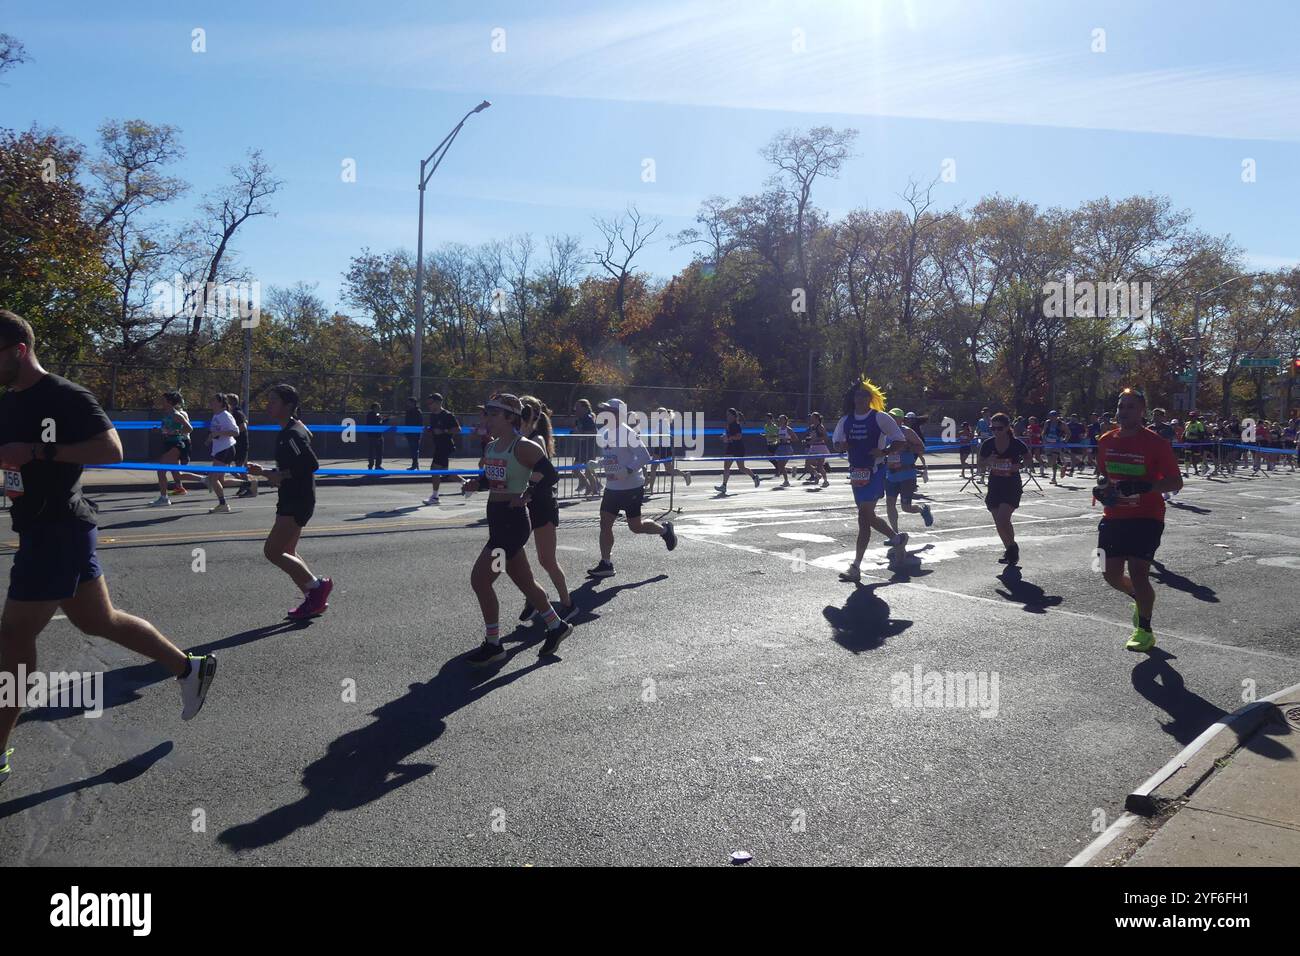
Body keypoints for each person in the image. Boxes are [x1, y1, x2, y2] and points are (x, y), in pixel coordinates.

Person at [0, 310, 216, 787]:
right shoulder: (8, 401)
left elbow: (111, 450)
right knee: (97, 620)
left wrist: (38, 452)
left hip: (57, 529)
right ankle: (188, 667)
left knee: (13, 637)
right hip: (44, 528)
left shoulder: (65, 396)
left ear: (18, 351)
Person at [463, 393, 573, 664]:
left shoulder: (523, 447)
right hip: (497, 518)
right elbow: (492, 480)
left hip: (512, 523)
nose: (486, 418)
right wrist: (476, 485)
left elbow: (550, 473)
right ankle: (556, 625)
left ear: (509, 417)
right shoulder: (491, 447)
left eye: (492, 414)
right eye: (486, 413)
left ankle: (494, 645)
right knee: (525, 582)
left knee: (480, 579)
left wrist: (528, 492)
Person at [1093, 387, 1183, 652]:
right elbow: (1102, 474)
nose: (1124, 412)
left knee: (1139, 571)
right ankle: (1138, 597)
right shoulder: (1106, 440)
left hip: (1147, 516)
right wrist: (1102, 490)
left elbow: (1176, 482)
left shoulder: (1156, 443)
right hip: (1113, 515)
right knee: (1109, 574)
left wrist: (1145, 487)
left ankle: (1144, 629)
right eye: (1121, 406)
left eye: (1131, 407)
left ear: (1142, 411)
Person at [245, 385, 333, 621]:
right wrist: (266, 472)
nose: (268, 405)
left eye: (273, 401)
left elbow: (310, 464)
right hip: (296, 496)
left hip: (297, 498)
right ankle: (313, 599)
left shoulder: (290, 434)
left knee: (273, 551)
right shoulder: (292, 429)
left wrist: (278, 475)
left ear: (288, 406)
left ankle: (317, 588)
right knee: (288, 551)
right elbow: (297, 460)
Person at [587, 398, 677, 579]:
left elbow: (644, 456)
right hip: (612, 487)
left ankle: (665, 531)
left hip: (631, 487)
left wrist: (627, 470)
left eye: (608, 411)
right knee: (605, 523)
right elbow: (613, 457)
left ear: (617, 414)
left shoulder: (627, 433)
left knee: (635, 527)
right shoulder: (606, 433)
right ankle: (606, 564)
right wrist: (598, 463)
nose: (604, 415)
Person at [832, 377, 911, 581]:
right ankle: (897, 538)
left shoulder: (880, 417)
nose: (859, 398)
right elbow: (837, 443)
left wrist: (883, 452)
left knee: (863, 516)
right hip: (856, 474)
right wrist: (842, 447)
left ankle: (856, 566)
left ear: (870, 397)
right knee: (867, 516)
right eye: (857, 394)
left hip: (875, 472)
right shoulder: (845, 420)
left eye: (863, 394)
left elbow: (900, 441)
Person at [515, 396, 577, 623]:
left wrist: (522, 482)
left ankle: (568, 603)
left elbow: (542, 475)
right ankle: (533, 596)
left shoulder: (536, 439)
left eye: (522, 411)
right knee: (515, 555)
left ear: (532, 415)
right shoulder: (518, 437)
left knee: (547, 560)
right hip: (525, 503)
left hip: (541, 504)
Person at [978, 412, 1028, 565]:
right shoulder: (988, 444)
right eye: (993, 428)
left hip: (1011, 484)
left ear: (1007, 428)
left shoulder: (1016, 443)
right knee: (1001, 523)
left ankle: (1012, 549)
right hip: (995, 485)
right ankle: (1011, 549)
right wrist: (988, 461)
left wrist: (1018, 466)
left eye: (999, 428)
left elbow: (1028, 458)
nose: (995, 431)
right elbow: (980, 465)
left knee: (1002, 520)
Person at [884, 408, 934, 533]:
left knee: (906, 507)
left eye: (894, 417)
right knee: (890, 504)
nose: (891, 419)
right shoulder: (884, 433)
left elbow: (921, 448)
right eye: (889, 417)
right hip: (891, 475)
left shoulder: (907, 432)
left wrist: (907, 447)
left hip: (906, 474)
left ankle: (923, 510)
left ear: (902, 420)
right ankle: (894, 534)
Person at [151, 390, 193, 506]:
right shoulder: (167, 414)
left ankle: (164, 498)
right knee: (176, 473)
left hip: (176, 444)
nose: (161, 402)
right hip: (168, 444)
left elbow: (189, 429)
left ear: (169, 402)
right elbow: (166, 430)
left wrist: (175, 431)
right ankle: (205, 479)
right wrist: (160, 431)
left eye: (163, 400)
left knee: (161, 470)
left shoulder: (176, 415)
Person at [423, 393, 464, 505]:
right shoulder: (432, 415)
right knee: (445, 472)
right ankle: (466, 483)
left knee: (434, 470)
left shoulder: (447, 415)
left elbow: (458, 429)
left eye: (430, 403)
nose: (429, 405)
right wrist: (429, 429)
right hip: (439, 445)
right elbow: (434, 428)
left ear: (438, 402)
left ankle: (435, 497)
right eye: (428, 403)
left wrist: (444, 431)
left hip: (445, 446)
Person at [205, 393, 240, 514]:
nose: (210, 402)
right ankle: (250, 483)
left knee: (213, 479)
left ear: (220, 402)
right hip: (220, 449)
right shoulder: (216, 415)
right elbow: (216, 431)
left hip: (225, 449)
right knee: (220, 480)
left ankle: (223, 504)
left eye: (213, 400)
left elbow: (236, 431)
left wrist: (217, 434)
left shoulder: (225, 415)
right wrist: (210, 438)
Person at [716, 407, 759, 493]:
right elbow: (729, 434)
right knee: (726, 467)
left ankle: (755, 477)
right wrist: (724, 436)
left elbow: (739, 436)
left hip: (738, 448)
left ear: (733, 416)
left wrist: (728, 437)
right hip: (730, 447)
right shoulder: (728, 424)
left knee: (742, 468)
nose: (727, 417)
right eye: (726, 415)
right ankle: (724, 486)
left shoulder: (736, 424)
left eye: (728, 415)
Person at [228, 394, 257, 499]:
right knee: (231, 468)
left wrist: (231, 433)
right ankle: (244, 484)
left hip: (241, 444)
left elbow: (243, 427)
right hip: (234, 444)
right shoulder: (232, 413)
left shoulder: (237, 413)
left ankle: (249, 487)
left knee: (239, 467)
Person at [572, 399, 602, 498]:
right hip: (582, 447)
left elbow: (593, 432)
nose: (576, 409)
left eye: (578, 407)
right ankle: (588, 486)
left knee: (588, 471)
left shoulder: (588, 418)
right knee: (575, 469)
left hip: (589, 447)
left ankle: (595, 490)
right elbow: (575, 431)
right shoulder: (579, 419)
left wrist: (581, 435)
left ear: (584, 408)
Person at [802, 412, 832, 487]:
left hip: (821, 447)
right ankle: (817, 475)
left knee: (820, 466)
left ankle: (825, 481)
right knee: (807, 464)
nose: (811, 419)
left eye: (812, 417)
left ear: (816, 418)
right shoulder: (812, 427)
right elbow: (812, 437)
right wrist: (807, 440)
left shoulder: (820, 427)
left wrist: (816, 440)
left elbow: (826, 438)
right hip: (813, 447)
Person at [773, 414, 797, 488]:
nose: (779, 420)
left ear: (785, 420)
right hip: (780, 448)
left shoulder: (788, 429)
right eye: (779, 419)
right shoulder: (778, 429)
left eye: (781, 419)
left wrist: (787, 440)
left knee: (781, 466)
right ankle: (790, 469)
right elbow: (777, 438)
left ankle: (786, 481)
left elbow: (795, 439)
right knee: (780, 466)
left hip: (786, 448)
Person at [366, 402, 388, 472]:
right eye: (378, 407)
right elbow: (378, 423)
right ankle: (370, 466)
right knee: (372, 452)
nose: (380, 409)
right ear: (374, 408)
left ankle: (378, 466)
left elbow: (380, 421)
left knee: (379, 452)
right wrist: (384, 420)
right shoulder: (370, 415)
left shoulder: (378, 414)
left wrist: (385, 419)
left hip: (379, 435)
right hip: (373, 436)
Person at [402, 397, 423, 470]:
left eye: (409, 402)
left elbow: (420, 422)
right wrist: (406, 431)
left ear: (413, 403)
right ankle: (415, 464)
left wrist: (417, 431)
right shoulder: (408, 411)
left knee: (415, 449)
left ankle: (415, 464)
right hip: (409, 433)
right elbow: (406, 422)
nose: (408, 404)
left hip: (415, 433)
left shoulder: (418, 411)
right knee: (412, 449)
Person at [763, 413, 780, 479]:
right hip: (769, 443)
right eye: (766, 419)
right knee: (770, 457)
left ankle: (778, 469)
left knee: (770, 456)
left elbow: (778, 435)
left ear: (771, 419)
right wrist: (765, 435)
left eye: (767, 418)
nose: (766, 420)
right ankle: (780, 468)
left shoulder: (774, 426)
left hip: (774, 443)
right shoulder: (766, 426)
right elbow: (767, 434)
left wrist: (771, 436)